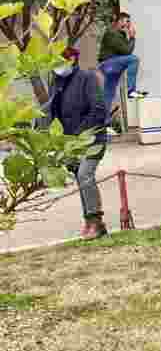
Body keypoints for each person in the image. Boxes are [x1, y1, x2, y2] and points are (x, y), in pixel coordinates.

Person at [49, 47, 109, 240]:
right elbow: (52, 112)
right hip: (72, 143)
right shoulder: (59, 83)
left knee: (85, 174)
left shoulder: (87, 78)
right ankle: (89, 222)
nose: (56, 66)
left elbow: (98, 109)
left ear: (73, 59)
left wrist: (79, 134)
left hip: (92, 139)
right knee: (80, 177)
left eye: (59, 61)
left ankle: (97, 223)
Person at [98, 12, 146, 127]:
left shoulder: (120, 34)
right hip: (108, 64)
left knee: (108, 94)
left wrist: (130, 37)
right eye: (126, 21)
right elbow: (127, 51)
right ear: (119, 21)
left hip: (113, 65)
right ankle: (131, 90)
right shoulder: (111, 33)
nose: (129, 23)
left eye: (129, 21)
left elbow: (125, 51)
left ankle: (103, 124)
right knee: (134, 59)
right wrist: (133, 37)